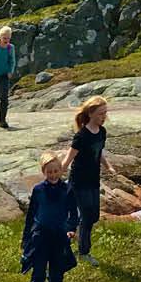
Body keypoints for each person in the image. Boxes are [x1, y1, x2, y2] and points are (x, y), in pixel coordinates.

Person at [20, 151, 79, 282]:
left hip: (59, 235)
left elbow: (73, 214)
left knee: (57, 270)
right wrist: (26, 238)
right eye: (49, 172)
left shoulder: (67, 189)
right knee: (38, 270)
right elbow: (31, 215)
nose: (53, 175)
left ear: (61, 170)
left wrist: (71, 229)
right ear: (44, 172)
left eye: (55, 171)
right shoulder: (38, 190)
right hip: (40, 235)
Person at [60, 95, 113, 265]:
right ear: (90, 114)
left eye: (105, 113)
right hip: (79, 181)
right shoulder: (81, 135)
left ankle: (72, 236)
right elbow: (69, 157)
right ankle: (83, 251)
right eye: (100, 114)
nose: (103, 117)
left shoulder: (102, 132)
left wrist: (108, 166)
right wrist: (57, 172)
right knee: (87, 216)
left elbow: (99, 152)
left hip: (93, 180)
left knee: (93, 216)